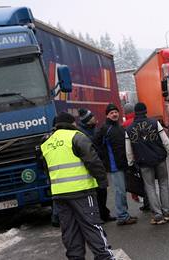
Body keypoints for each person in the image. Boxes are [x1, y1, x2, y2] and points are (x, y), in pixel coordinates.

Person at [40, 112, 115, 260]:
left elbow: (45, 169)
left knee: (69, 230)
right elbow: (93, 161)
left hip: (60, 195)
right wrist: (102, 181)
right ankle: (104, 256)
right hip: (82, 191)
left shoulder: (46, 143)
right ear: (72, 124)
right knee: (92, 226)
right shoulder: (77, 137)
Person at [125, 102, 169, 225]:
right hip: (159, 159)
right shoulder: (154, 123)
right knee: (163, 184)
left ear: (135, 113)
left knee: (150, 187)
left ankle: (158, 215)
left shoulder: (129, 129)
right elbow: (165, 140)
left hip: (143, 162)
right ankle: (167, 212)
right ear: (145, 111)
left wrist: (130, 163)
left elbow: (128, 150)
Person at [94, 103, 138, 226]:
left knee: (123, 190)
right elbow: (95, 145)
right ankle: (122, 216)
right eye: (111, 113)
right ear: (107, 115)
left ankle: (124, 214)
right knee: (120, 192)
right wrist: (104, 159)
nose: (114, 114)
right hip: (114, 166)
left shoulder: (120, 127)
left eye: (116, 112)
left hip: (123, 164)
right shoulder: (104, 129)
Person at [77, 108, 116, 223]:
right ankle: (99, 216)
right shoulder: (83, 134)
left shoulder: (93, 129)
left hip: (99, 164)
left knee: (102, 191)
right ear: (88, 120)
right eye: (92, 117)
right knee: (97, 192)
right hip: (91, 167)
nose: (95, 118)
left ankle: (104, 214)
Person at [122, 103, 151, 212]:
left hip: (134, 157)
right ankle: (149, 202)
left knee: (140, 181)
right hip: (144, 155)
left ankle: (147, 202)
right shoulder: (138, 122)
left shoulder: (124, 125)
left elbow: (126, 145)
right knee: (148, 181)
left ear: (125, 112)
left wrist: (129, 161)